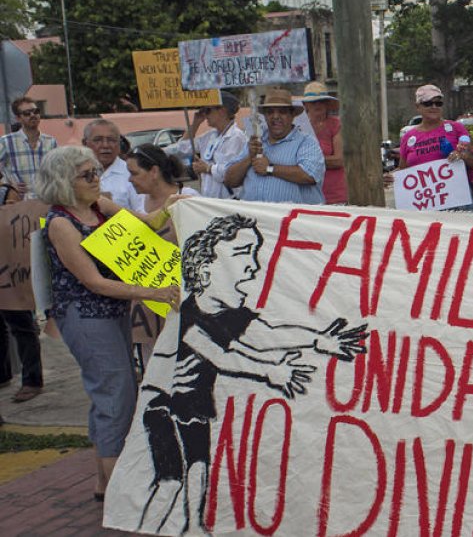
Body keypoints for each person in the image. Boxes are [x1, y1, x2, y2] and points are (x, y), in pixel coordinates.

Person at [135, 214, 366, 532]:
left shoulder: (230, 315)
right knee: (170, 482)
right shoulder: (188, 314)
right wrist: (269, 372)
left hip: (194, 406)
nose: (253, 266)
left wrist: (318, 340)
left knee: (199, 468)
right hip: (165, 406)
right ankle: (145, 527)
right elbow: (224, 357)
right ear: (205, 268)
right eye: (243, 254)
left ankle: (194, 527)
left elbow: (270, 332)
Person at [34, 145, 179, 501]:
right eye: (88, 175)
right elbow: (93, 282)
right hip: (84, 317)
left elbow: (147, 223)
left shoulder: (100, 206)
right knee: (116, 393)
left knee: (115, 390)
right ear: (65, 182)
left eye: (97, 171)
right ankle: (121, 495)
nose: (98, 179)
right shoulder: (61, 224)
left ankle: (104, 484)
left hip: (110, 312)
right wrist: (151, 292)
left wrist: (176, 206)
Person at [226, 89, 325, 205]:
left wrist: (270, 168)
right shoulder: (255, 142)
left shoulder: (306, 142)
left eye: (282, 112)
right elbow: (230, 180)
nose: (276, 116)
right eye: (270, 112)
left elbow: (310, 175)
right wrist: (249, 157)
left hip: (291, 221)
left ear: (292, 115)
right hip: (253, 218)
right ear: (265, 116)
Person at [392, 84, 473, 209]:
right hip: (425, 205)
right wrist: (390, 177)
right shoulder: (408, 137)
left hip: (458, 202)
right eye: (428, 103)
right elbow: (403, 170)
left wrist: (462, 155)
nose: (434, 107)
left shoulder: (456, 128)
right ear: (417, 107)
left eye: (438, 103)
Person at [174, 91, 247, 199]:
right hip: (209, 200)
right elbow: (182, 149)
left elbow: (230, 172)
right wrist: (196, 123)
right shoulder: (209, 136)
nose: (205, 114)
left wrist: (207, 168)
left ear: (222, 111)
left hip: (229, 201)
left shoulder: (236, 137)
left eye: (207, 110)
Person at [0, 96, 58, 199]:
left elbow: (60, 171)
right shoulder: (6, 142)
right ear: (18, 118)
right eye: (27, 113)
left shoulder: (51, 142)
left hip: (46, 203)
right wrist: (6, 185)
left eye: (36, 111)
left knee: (42, 216)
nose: (33, 115)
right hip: (19, 205)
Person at [83, 119, 143, 211]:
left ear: (119, 143)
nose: (105, 145)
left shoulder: (132, 174)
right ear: (85, 143)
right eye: (98, 140)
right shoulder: (75, 175)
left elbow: (142, 215)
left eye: (111, 140)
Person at [301, 81, 347, 204]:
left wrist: (308, 162)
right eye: (313, 102)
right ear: (306, 105)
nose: (318, 104)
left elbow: (339, 160)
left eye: (321, 101)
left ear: (327, 104)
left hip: (334, 194)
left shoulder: (336, 124)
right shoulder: (298, 128)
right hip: (307, 195)